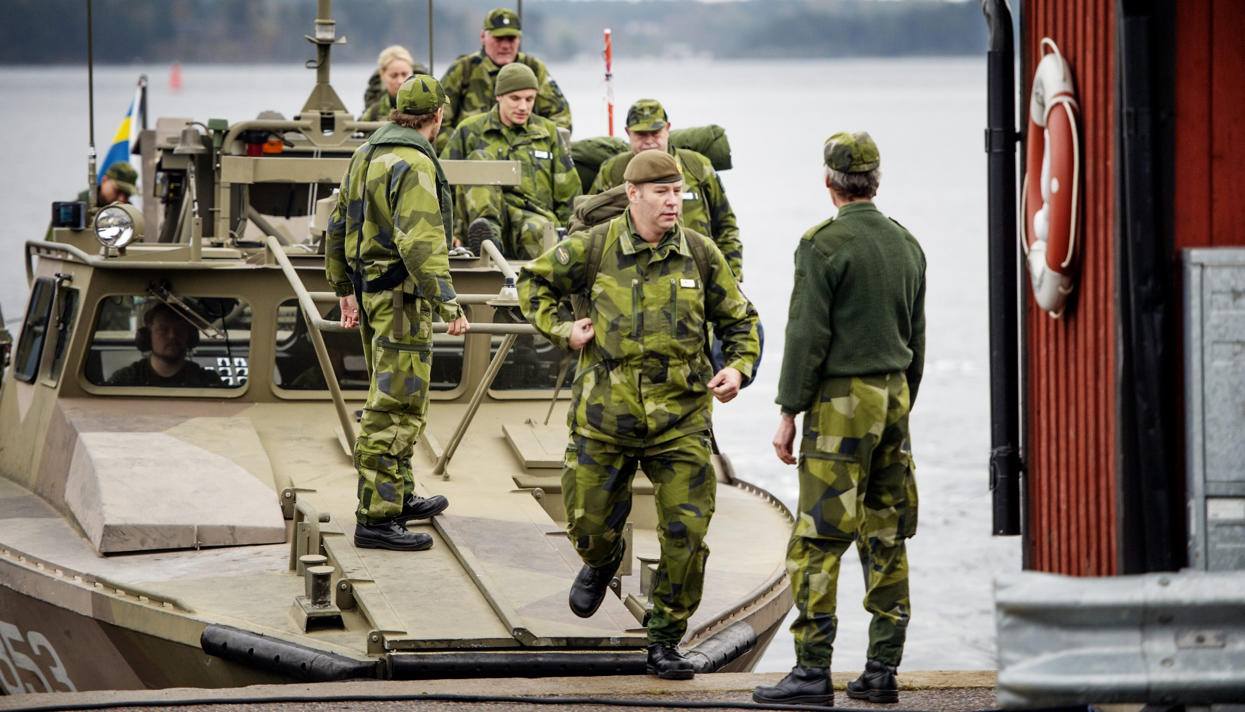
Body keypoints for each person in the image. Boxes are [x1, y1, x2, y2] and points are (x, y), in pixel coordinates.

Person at [518, 150, 760, 680]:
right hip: (605, 418)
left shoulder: (700, 253)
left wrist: (739, 368)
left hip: (681, 420)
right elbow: (532, 284)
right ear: (634, 195)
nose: (672, 201)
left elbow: (741, 320)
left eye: (677, 192)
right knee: (588, 522)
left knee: (687, 533)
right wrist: (563, 328)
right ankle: (601, 560)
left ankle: (666, 637)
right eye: (661, 192)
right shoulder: (593, 247)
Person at [752, 132, 925, 707]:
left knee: (819, 539)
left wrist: (788, 412)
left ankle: (811, 672)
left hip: (842, 405)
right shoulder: (906, 244)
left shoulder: (821, 245)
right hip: (895, 397)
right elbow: (916, 340)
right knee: (887, 533)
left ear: (829, 184)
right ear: (876, 180)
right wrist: (899, 401)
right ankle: (881, 671)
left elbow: (806, 336)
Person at [325, 74, 471, 552]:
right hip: (402, 303)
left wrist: (343, 287)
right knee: (395, 405)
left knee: (400, 396)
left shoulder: (367, 153)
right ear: (439, 116)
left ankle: (400, 495)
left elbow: (338, 222)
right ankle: (376, 517)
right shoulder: (414, 163)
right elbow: (422, 241)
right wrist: (448, 301)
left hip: (372, 296)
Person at [590, 100, 743, 281]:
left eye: (655, 133)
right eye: (641, 134)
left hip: (697, 277)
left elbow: (726, 226)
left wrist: (730, 278)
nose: (649, 141)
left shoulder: (697, 167)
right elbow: (591, 223)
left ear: (667, 129)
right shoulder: (614, 171)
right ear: (627, 133)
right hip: (633, 279)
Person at [441, 62, 580, 259]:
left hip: (531, 217)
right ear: (499, 96)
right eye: (515, 98)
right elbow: (443, 186)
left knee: (538, 230)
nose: (523, 107)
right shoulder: (470, 131)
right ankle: (488, 241)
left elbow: (568, 192)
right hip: (479, 220)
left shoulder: (547, 133)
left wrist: (572, 236)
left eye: (529, 99)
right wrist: (450, 232)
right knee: (480, 160)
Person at [436, 7, 571, 151]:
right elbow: (437, 121)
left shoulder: (535, 69)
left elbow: (561, 117)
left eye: (511, 39)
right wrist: (463, 146)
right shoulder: (463, 69)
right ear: (483, 37)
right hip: (473, 155)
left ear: (519, 39)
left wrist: (536, 145)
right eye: (499, 38)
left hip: (525, 153)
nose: (505, 45)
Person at [106, 302, 222, 387]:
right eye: (163, 330)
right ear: (147, 336)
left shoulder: (206, 381)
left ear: (190, 337)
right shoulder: (125, 379)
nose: (172, 336)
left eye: (179, 330)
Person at [360, 45, 429, 122]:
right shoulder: (374, 113)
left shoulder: (429, 109)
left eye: (404, 74)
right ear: (382, 76)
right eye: (394, 76)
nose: (400, 81)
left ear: (412, 73)